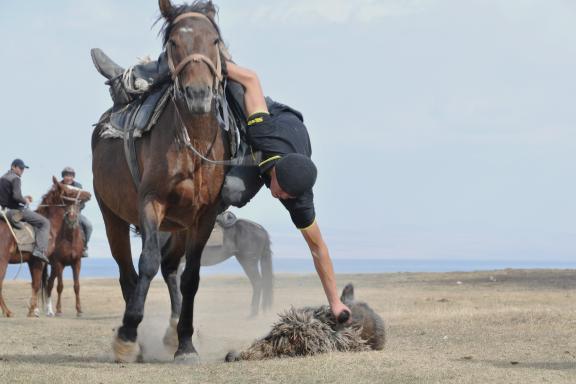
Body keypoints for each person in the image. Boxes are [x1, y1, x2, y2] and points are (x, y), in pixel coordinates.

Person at [91, 52, 351, 320]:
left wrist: (335, 302)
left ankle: (207, 216)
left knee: (232, 192)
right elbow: (251, 79)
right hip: (259, 121)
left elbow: (318, 248)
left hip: (269, 149)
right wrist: (211, 61)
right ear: (273, 172)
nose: (280, 196)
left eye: (286, 196)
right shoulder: (263, 132)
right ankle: (131, 79)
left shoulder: (299, 197)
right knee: (218, 79)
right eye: (280, 190)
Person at [0, 159, 50, 263]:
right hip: (15, 212)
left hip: (3, 212)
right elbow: (16, 196)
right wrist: (25, 200)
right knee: (45, 223)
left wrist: (23, 198)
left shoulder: (3, 178)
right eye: (20, 168)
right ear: (13, 167)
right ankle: (39, 250)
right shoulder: (15, 178)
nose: (22, 171)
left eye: (23, 169)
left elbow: (9, 197)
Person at [60, 167, 92, 258]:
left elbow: (82, 202)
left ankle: (84, 247)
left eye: (70, 175)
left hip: (76, 212)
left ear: (73, 177)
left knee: (88, 225)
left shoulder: (78, 186)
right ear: (63, 176)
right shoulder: (58, 185)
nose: (68, 178)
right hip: (61, 213)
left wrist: (76, 210)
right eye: (66, 175)